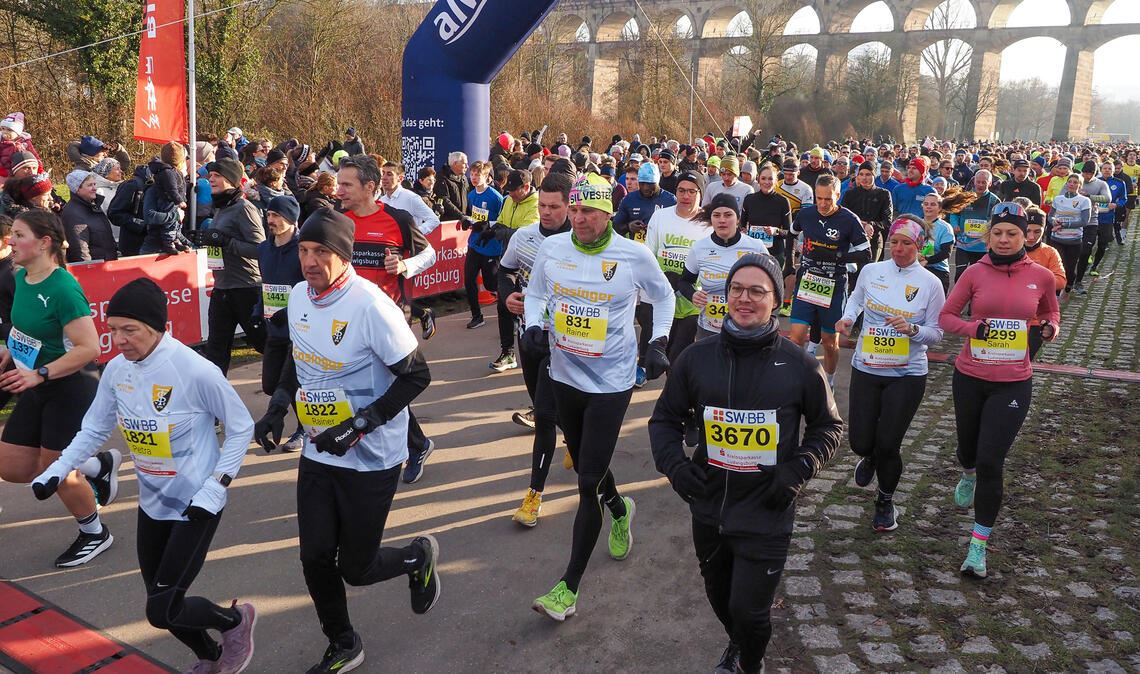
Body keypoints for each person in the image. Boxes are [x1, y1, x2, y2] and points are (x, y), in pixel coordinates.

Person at [31, 278, 257, 674]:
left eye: (129, 329)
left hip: (195, 504)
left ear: (157, 327)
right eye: (112, 328)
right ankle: (211, 656)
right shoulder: (118, 370)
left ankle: (235, 622)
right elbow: (94, 429)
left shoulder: (195, 370)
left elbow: (241, 427)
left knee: (162, 607)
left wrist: (216, 488)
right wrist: (58, 469)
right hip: (153, 502)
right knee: (162, 603)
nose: (117, 339)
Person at [252, 209, 439, 674]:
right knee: (314, 555)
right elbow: (299, 358)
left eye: (321, 252)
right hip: (320, 448)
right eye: (304, 251)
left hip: (371, 455)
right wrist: (277, 405)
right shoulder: (298, 296)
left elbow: (417, 376)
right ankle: (343, 641)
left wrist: (360, 424)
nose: (310, 261)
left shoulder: (371, 305)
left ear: (343, 254)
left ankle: (417, 557)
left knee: (356, 568)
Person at [649, 253, 843, 674]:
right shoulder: (696, 359)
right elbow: (664, 420)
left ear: (776, 300)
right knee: (720, 597)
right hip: (709, 504)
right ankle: (737, 643)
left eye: (758, 291)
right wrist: (677, 469)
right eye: (737, 289)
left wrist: (795, 472)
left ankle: (749, 663)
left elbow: (828, 428)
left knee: (751, 612)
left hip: (768, 508)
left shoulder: (800, 365)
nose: (744, 298)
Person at [524, 174, 674, 621]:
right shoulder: (553, 249)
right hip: (565, 374)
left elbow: (664, 299)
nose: (580, 218)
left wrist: (659, 342)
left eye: (589, 210)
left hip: (611, 380)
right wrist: (534, 325)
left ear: (609, 212)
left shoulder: (633, 254)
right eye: (575, 210)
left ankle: (567, 590)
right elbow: (535, 293)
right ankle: (620, 508)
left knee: (585, 480)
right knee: (588, 458)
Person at [939, 202, 1060, 578]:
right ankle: (967, 471)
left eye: (1012, 233)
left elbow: (1052, 311)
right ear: (988, 235)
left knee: (993, 460)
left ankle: (978, 547)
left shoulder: (1040, 275)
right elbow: (946, 316)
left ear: (1026, 236)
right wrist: (974, 330)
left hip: (1013, 382)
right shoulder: (974, 272)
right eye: (998, 233)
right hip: (970, 377)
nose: (1004, 240)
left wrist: (1051, 328)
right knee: (968, 449)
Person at [0, 210, 118, 567]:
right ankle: (97, 466)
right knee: (13, 466)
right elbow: (26, 328)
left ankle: (95, 532)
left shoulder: (63, 287)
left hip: (72, 386)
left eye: (19, 235)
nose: (11, 241)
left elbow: (90, 348)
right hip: (38, 383)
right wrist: (9, 349)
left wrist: (41, 374)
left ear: (45, 242)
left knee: (58, 472)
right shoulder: (21, 277)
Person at [836, 216, 945, 532]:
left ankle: (885, 501)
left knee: (888, 445)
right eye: (895, 241)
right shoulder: (872, 271)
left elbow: (936, 333)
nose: (898, 248)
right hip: (867, 366)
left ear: (920, 245)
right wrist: (847, 318)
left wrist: (912, 329)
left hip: (907, 374)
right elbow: (856, 299)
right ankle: (866, 457)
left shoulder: (930, 283)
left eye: (907, 243)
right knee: (859, 441)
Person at [335, 155, 438, 484]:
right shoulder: (338, 219)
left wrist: (406, 266)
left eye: (346, 184)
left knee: (391, 387)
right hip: (349, 317)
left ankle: (413, 445)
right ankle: (413, 443)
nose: (339, 190)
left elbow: (429, 254)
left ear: (369, 187)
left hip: (390, 318)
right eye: (338, 183)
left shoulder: (398, 218)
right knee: (366, 387)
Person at [501, 174, 572, 525]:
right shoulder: (524, 236)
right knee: (545, 404)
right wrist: (507, 295)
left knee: (544, 415)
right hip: (528, 336)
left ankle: (534, 496)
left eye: (554, 207)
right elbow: (503, 272)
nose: (545, 212)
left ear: (570, 206)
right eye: (542, 205)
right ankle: (572, 440)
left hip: (567, 342)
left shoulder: (580, 241)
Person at [787, 175, 871, 387]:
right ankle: (796, 380)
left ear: (837, 195)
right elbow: (791, 234)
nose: (823, 204)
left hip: (833, 285)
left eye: (828, 199)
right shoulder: (806, 214)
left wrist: (838, 257)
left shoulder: (849, 219)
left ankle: (829, 382)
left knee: (829, 342)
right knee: (795, 337)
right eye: (819, 198)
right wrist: (790, 263)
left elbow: (866, 254)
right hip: (807, 280)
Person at [193, 158, 267, 373]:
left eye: (217, 176)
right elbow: (218, 241)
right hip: (222, 289)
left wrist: (226, 242)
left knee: (264, 343)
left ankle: (288, 389)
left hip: (246, 288)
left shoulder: (244, 208)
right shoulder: (220, 208)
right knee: (216, 350)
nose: (211, 179)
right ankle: (214, 400)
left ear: (231, 180)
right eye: (210, 175)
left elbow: (259, 249)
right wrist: (203, 239)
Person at [680, 193, 769, 339]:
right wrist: (693, 294)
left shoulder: (755, 247)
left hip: (747, 329)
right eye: (716, 215)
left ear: (738, 218)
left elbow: (772, 283)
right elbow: (684, 281)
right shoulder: (699, 248)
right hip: (709, 330)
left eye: (728, 215)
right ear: (711, 219)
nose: (722, 220)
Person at [645, 172, 712, 364]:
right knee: (659, 349)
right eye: (681, 191)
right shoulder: (660, 216)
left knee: (679, 354)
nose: (686, 196)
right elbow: (649, 254)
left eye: (692, 191)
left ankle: (673, 390)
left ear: (701, 194)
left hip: (692, 300)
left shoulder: (708, 223)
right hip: (662, 296)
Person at [257, 195, 305, 453]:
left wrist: (290, 310)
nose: (270, 220)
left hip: (299, 330)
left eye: (276, 216)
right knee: (270, 383)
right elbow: (265, 284)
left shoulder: (302, 250)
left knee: (292, 383)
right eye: (269, 215)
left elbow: (310, 289)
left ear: (291, 219)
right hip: (273, 329)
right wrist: (258, 310)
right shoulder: (264, 249)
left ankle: (304, 429)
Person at [461, 160, 505, 333]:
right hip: (474, 244)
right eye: (472, 174)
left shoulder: (495, 197)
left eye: (478, 175)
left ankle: (509, 312)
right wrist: (466, 221)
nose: (474, 177)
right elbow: (471, 215)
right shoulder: (471, 195)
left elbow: (503, 220)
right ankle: (476, 316)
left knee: (491, 285)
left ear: (487, 177)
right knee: (469, 280)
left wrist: (489, 224)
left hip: (491, 247)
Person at [1023, 206, 1065, 360]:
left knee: (1025, 359)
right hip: (1010, 317)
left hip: (1036, 319)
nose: (1031, 236)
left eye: (1037, 232)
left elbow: (1061, 281)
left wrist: (1032, 282)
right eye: (1027, 231)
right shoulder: (1009, 250)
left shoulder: (1050, 252)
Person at [142, 143, 193, 256]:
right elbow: (149, 216)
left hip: (170, 251)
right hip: (153, 250)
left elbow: (174, 228)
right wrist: (175, 215)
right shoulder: (154, 189)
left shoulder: (179, 188)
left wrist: (189, 244)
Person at [948, 170, 999, 280]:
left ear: (990, 183)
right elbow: (954, 214)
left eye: (984, 182)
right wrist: (955, 225)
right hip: (963, 244)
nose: (980, 185)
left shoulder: (994, 200)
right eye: (978, 182)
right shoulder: (964, 197)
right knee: (960, 274)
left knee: (979, 277)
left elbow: (998, 221)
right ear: (974, 181)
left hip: (982, 247)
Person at [1047, 173, 1092, 295]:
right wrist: (1053, 221)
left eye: (1075, 182)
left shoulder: (1084, 201)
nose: (1072, 184)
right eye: (1070, 181)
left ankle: (1070, 284)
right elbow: (1050, 216)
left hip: (1074, 240)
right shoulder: (1058, 199)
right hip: (1057, 239)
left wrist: (1064, 225)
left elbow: (1084, 221)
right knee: (1058, 267)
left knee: (1070, 269)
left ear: (1080, 185)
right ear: (1066, 183)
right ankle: (1056, 293)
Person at [612, 162, 677, 244]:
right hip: (637, 250)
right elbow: (615, 227)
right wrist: (628, 226)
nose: (646, 188)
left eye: (650, 184)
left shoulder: (670, 200)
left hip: (661, 250)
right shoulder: (629, 199)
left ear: (657, 182)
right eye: (642, 183)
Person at [61, 170, 118, 262]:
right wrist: (88, 269)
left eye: (95, 184)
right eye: (89, 185)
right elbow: (80, 249)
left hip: (105, 263)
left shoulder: (92, 206)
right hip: (94, 268)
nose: (94, 188)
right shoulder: (74, 213)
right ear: (77, 189)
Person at [1089, 160, 1127, 276]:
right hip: (1092, 217)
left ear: (1113, 170)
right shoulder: (1094, 182)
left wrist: (1115, 205)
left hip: (1107, 217)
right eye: (1105, 168)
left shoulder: (1119, 183)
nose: (1107, 170)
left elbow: (1123, 199)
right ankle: (1086, 259)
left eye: (1110, 168)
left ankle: (1094, 266)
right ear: (1100, 170)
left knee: (1102, 244)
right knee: (1088, 243)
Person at [433, 151, 470, 222]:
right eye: (464, 163)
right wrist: (460, 215)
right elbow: (444, 200)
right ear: (455, 163)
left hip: (464, 221)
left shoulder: (464, 178)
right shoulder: (442, 178)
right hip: (449, 222)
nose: (467, 166)